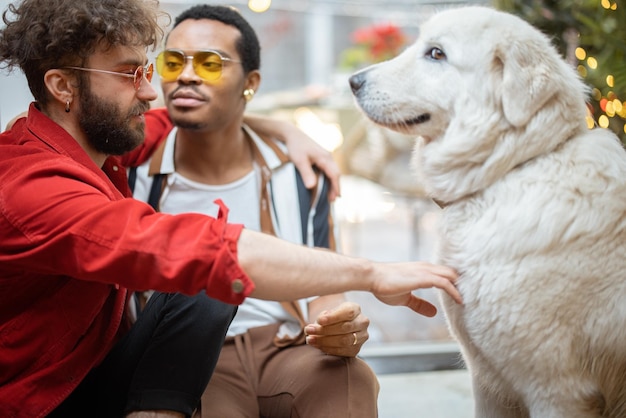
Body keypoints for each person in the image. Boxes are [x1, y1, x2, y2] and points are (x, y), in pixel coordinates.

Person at [0, 0, 462, 417]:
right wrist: (373, 274)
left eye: (147, 71)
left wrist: (280, 127)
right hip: (42, 397)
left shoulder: (104, 146)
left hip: (102, 369)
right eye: (130, 74)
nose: (150, 92)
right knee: (201, 262)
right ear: (62, 87)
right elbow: (202, 249)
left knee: (332, 372)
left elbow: (196, 114)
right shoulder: (31, 184)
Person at [128, 5, 378, 417]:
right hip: (188, 352)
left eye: (210, 63)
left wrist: (338, 324)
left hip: (285, 345)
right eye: (173, 62)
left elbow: (324, 285)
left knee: (350, 378)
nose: (186, 75)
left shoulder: (298, 173)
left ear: (251, 83)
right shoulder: (133, 171)